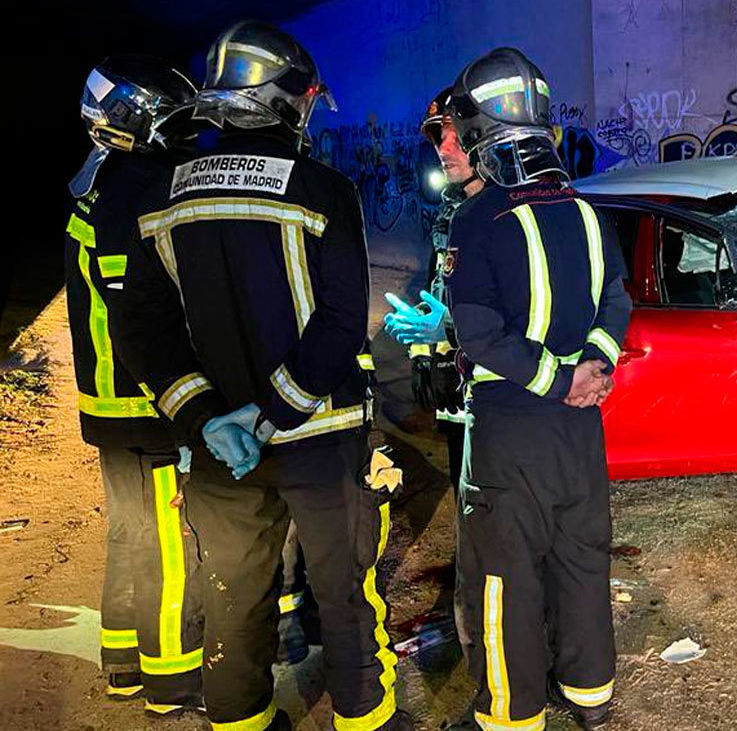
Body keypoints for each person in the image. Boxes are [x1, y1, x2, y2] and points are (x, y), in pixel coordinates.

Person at [112, 22, 410, 730]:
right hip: (319, 434)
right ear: (278, 100)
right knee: (342, 591)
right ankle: (363, 716)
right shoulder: (325, 190)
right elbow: (342, 322)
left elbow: (141, 331)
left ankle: (241, 719)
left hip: (220, 452)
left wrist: (208, 418)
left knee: (233, 596)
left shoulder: (161, 197)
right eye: (305, 98)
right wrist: (272, 411)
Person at [441, 47, 632, 731]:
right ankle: (591, 694)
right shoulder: (586, 209)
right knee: (582, 560)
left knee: (506, 576)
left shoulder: (477, 218)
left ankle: (510, 713)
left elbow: (479, 334)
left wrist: (556, 379)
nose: (451, 142)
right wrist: (594, 372)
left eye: (456, 129)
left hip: (512, 429)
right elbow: (617, 300)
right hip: (582, 428)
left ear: (483, 130)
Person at [64, 55, 205, 717]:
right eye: (174, 122)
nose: (186, 133)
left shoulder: (105, 184)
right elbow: (140, 307)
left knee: (128, 532)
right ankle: (173, 676)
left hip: (107, 403)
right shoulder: (138, 193)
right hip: (146, 404)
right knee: (169, 541)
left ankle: (121, 660)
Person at [384, 86, 486, 490]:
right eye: (437, 136)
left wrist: (448, 335)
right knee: (468, 497)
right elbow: (435, 290)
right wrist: (427, 357)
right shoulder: (450, 212)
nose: (443, 148)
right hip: (459, 385)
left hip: (498, 393)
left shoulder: (506, 217)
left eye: (455, 135)